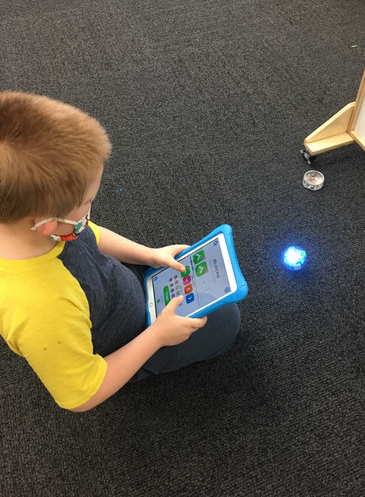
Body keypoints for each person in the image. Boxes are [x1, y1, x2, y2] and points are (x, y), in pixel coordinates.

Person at [0, 91, 241, 412]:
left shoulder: (34, 227)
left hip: (107, 292)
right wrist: (156, 337)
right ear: (46, 224)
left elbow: (90, 234)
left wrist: (148, 254)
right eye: (87, 203)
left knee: (179, 277)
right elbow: (81, 395)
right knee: (225, 323)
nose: (90, 211)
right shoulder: (42, 309)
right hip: (118, 340)